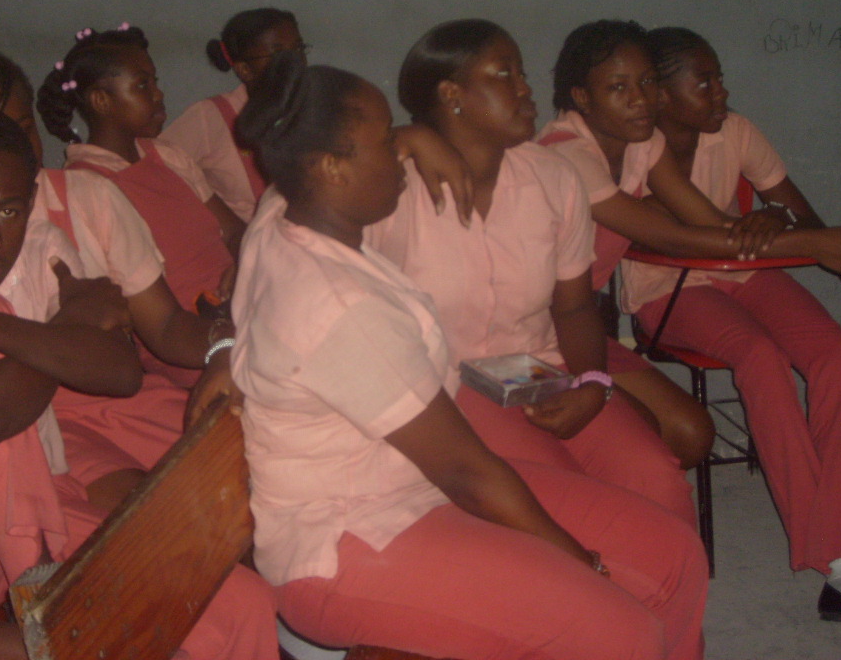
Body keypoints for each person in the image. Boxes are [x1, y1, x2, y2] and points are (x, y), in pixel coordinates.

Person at [231, 50, 708, 660]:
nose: (402, 154)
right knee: (620, 629)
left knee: (673, 554)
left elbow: (287, 185)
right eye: (387, 141)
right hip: (351, 541)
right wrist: (581, 563)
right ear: (330, 168)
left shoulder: (286, 215)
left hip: (410, 488)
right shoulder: (336, 303)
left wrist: (413, 137)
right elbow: (467, 473)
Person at [0, 109, 277, 659]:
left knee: (241, 601)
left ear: (31, 201)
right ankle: (38, 584)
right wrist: (60, 325)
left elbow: (120, 372)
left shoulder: (41, 245)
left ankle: (40, 578)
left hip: (45, 500)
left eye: (8, 210)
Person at [362, 19, 693, 524]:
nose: (525, 88)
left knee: (654, 475)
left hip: (540, 371)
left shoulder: (553, 178)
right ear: (452, 95)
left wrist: (592, 383)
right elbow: (300, 205)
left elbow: (575, 307)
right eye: (505, 74)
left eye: (521, 72)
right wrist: (397, 141)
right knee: (569, 499)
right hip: (442, 388)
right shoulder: (389, 188)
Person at [535, 19, 841, 468]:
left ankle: (834, 511)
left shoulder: (644, 142)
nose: (640, 99)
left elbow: (711, 224)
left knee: (689, 436)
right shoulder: (566, 153)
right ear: (582, 97)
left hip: (576, 322)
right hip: (529, 321)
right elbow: (675, 240)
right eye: (618, 87)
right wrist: (819, 243)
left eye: (647, 82)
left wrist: (801, 232)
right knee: (644, 439)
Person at [622, 26, 841, 621]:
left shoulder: (734, 131)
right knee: (760, 357)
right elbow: (661, 232)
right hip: (667, 288)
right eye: (704, 82)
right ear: (661, 94)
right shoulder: (634, 148)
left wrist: (771, 216)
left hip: (743, 271)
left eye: (720, 78)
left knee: (836, 351)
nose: (722, 92)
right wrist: (754, 230)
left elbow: (806, 219)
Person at [0, 51, 239, 508]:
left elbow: (166, 326)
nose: (13, 148)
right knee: (151, 512)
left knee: (240, 461)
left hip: (116, 394)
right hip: (26, 419)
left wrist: (227, 344)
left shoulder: (88, 197)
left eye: (23, 127)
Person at [37, 25, 245, 389]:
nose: (158, 94)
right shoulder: (86, 188)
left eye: (154, 81)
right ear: (101, 101)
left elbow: (235, 231)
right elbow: (158, 322)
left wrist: (242, 266)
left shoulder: (166, 155)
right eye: (142, 85)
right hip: (190, 338)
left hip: (241, 305)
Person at [160, 8, 306, 222]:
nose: (295, 61)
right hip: (247, 238)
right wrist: (220, 218)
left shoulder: (316, 108)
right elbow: (156, 170)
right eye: (278, 54)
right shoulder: (210, 116)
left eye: (298, 49)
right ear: (244, 69)